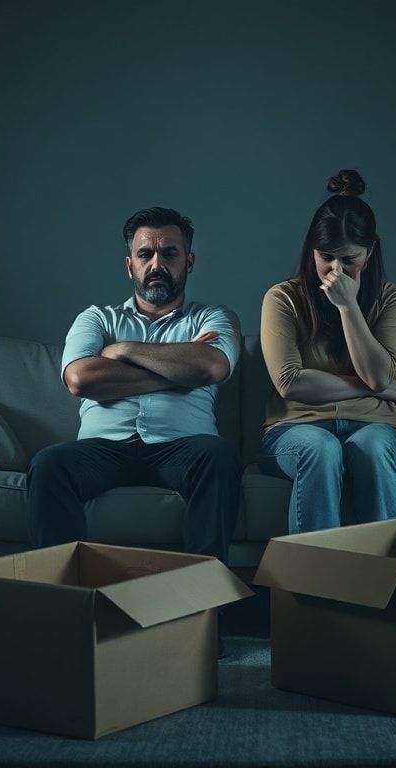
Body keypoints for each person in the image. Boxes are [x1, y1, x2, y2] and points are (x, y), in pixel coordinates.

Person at [27, 207, 242, 563]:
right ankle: (61, 601)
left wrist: (122, 350)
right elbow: (80, 378)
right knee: (49, 464)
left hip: (184, 447)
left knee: (219, 456)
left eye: (169, 253)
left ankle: (205, 599)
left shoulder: (214, 317)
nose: (157, 264)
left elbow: (212, 367)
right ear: (130, 265)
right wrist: (179, 370)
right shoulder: (96, 318)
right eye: (146, 254)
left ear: (188, 262)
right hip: (103, 447)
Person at [258, 169, 396, 534]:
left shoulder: (392, 299)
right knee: (321, 447)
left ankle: (383, 581)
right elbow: (290, 383)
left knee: (373, 449)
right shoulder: (282, 298)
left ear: (369, 252)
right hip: (295, 429)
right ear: (311, 249)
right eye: (325, 257)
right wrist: (372, 388)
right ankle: (318, 584)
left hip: (375, 427)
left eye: (348, 260)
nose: (335, 270)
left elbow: (378, 373)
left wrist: (348, 307)